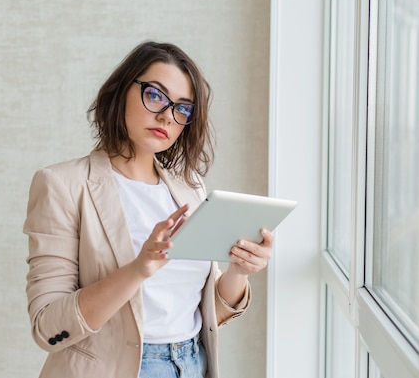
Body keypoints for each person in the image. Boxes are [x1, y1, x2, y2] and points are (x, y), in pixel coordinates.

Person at [23, 41, 273, 378]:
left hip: (191, 364)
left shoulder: (190, 187)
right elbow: (47, 325)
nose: (166, 116)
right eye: (155, 95)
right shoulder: (62, 184)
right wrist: (139, 268)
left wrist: (239, 271)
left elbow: (201, 313)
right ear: (121, 92)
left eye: (182, 108)